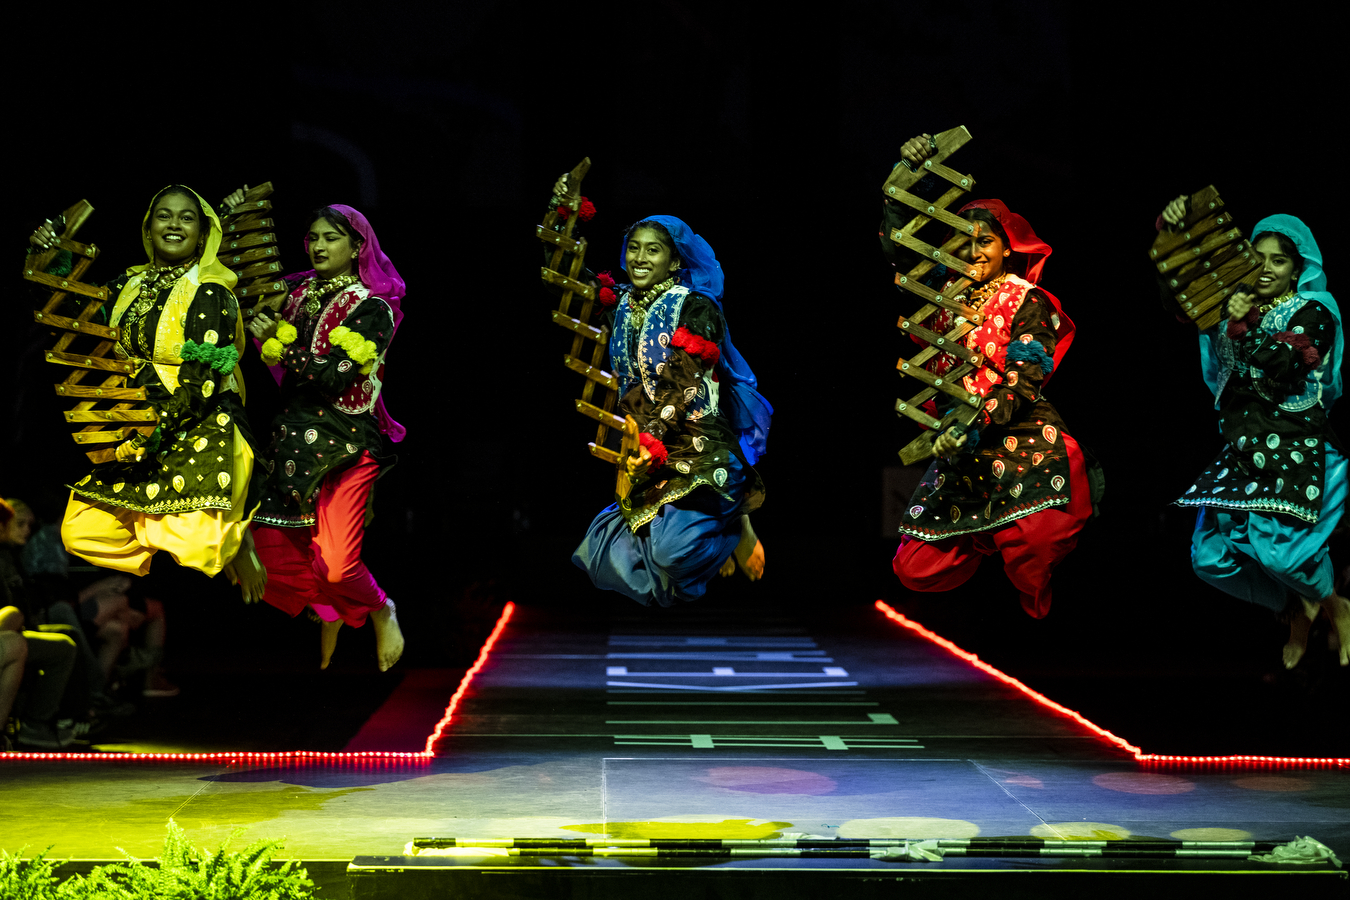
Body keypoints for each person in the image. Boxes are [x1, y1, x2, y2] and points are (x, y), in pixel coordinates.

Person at [885, 134, 1092, 618]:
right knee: (914, 567)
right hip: (960, 445)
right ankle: (983, 534)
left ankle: (1008, 533)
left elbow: (1024, 377)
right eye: (963, 242)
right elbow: (901, 248)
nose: (974, 251)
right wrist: (906, 168)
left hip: (1016, 434)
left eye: (985, 242)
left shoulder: (1026, 298)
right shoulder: (942, 297)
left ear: (1005, 249)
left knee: (1033, 559)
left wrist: (972, 424)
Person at [25, 186, 266, 601]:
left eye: (186, 217)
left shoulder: (210, 291)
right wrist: (53, 254)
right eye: (164, 215)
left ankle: (233, 539)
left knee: (200, 545)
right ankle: (190, 527)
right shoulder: (128, 285)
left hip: (199, 417)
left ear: (203, 232)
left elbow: (202, 380)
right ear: (148, 227)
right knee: (80, 530)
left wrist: (155, 433)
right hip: (135, 414)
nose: (174, 224)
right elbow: (79, 320)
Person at [556, 177, 772, 606]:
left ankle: (730, 530)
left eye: (652, 250)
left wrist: (651, 440)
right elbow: (564, 284)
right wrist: (565, 222)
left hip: (697, 443)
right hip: (647, 447)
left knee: (672, 553)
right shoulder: (617, 302)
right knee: (599, 556)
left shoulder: (696, 306)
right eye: (633, 247)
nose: (638, 258)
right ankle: (705, 553)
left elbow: (684, 382)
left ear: (674, 261)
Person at [1159, 198, 1350, 667]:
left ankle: (1332, 603)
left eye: (1278, 260)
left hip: (1296, 445)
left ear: (1295, 267)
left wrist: (1244, 325)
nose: (1266, 269)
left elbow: (1288, 364)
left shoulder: (1313, 310)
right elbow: (1179, 299)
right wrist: (1168, 232)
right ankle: (1294, 608)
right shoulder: (1226, 310)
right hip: (1243, 449)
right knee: (1208, 559)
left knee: (1279, 555)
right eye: (1257, 258)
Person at [229, 188, 406, 671]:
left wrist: (279, 345)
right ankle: (328, 608)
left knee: (338, 563)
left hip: (347, 444)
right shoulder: (297, 293)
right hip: (291, 441)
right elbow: (243, 294)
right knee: (259, 558)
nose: (320, 246)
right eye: (313, 238)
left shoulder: (375, 306)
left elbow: (336, 374)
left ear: (357, 247)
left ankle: (379, 607)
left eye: (333, 237)